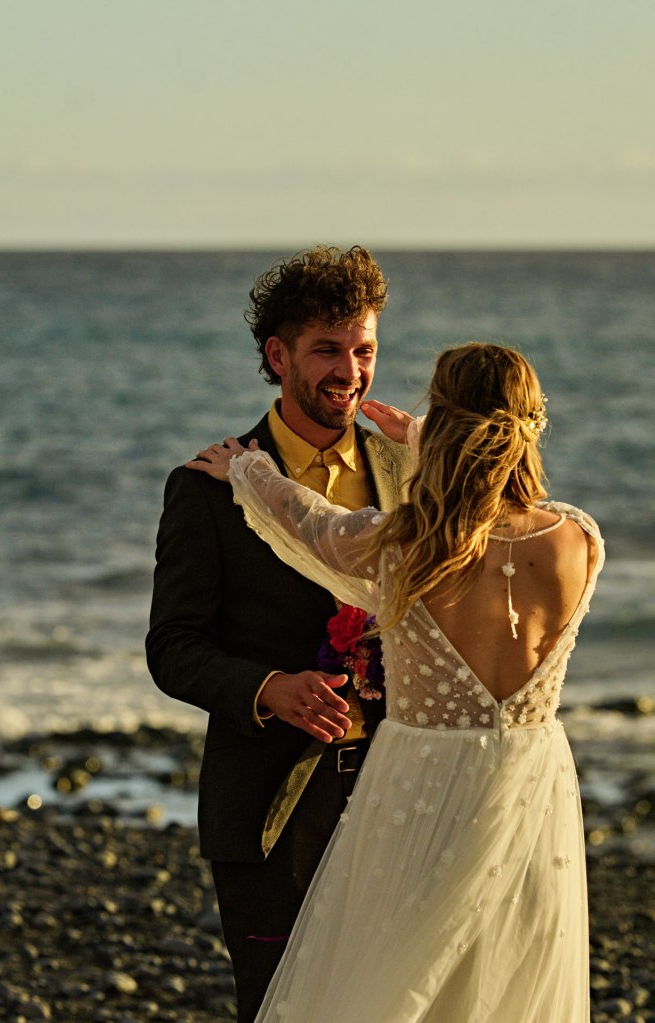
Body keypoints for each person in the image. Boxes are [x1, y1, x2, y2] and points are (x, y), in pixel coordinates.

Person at [189, 342, 604, 1023]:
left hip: (422, 777)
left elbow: (305, 520)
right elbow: (506, 505)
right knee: (501, 976)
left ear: (444, 426)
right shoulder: (578, 539)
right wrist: (427, 440)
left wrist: (245, 467)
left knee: (393, 970)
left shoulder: (401, 546)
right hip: (531, 776)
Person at [146, 245, 413, 1022]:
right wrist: (269, 689)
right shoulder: (209, 486)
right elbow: (173, 646)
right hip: (265, 806)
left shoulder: (407, 469)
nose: (350, 370)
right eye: (327, 349)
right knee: (282, 1010)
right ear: (278, 354)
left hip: (400, 789)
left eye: (363, 349)